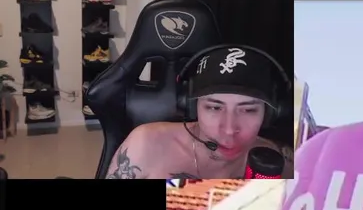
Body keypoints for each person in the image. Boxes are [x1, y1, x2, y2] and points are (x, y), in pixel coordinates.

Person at [105, 46, 292, 180]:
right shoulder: (146, 144)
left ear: (270, 113)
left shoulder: (279, 161)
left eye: (248, 110)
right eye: (214, 107)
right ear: (192, 107)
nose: (229, 129)